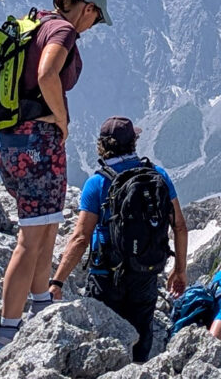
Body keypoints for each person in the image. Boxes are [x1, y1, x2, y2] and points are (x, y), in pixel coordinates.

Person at [0, 0, 112, 358]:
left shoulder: (38, 22)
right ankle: (8, 331)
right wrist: (62, 120)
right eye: (96, 18)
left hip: (9, 140)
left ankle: (41, 302)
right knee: (30, 238)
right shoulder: (62, 30)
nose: (92, 27)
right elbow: (46, 74)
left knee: (43, 227)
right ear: (87, 8)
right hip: (37, 143)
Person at [49, 116, 188, 362]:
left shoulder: (98, 183)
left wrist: (58, 282)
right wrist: (179, 270)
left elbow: (81, 238)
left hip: (106, 276)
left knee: (103, 345)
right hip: (145, 272)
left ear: (102, 145)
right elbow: (179, 226)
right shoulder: (158, 175)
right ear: (134, 142)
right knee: (140, 341)